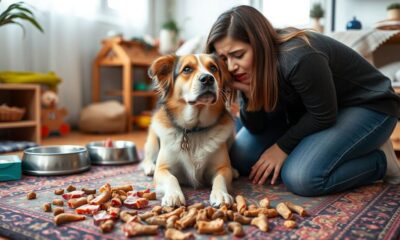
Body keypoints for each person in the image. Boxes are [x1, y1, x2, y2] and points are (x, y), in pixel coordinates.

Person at [205, 5, 400, 197]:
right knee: (240, 158)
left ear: (259, 43)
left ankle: (380, 162)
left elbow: (323, 115)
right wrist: (250, 95)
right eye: (223, 58)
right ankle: (322, 149)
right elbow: (257, 127)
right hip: (309, 112)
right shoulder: (243, 70)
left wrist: (282, 147)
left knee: (302, 178)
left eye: (238, 55)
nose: (231, 66)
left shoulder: (299, 57)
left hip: (367, 105)